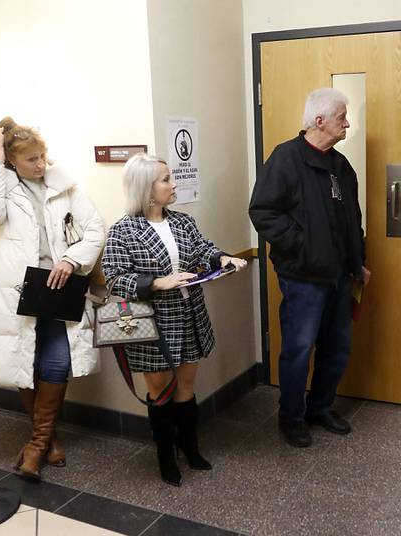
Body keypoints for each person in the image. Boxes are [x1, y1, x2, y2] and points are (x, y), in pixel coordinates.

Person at [0, 117, 105, 481]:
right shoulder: (3, 187)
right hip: (19, 289)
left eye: (42, 156)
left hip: (61, 286)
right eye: (31, 159)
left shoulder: (66, 186)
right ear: (12, 161)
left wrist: (71, 258)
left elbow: (95, 229)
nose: (41, 164)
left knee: (57, 363)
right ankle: (46, 440)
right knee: (23, 363)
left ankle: (36, 444)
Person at [102, 153, 247, 486]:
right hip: (153, 322)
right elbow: (113, 277)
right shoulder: (122, 231)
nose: (174, 184)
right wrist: (157, 282)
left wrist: (222, 257)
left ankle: (190, 447)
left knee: (186, 387)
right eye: (166, 179)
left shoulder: (182, 222)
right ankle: (165, 457)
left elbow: (201, 248)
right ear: (147, 189)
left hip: (189, 314)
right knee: (160, 393)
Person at [249, 88, 370, 448]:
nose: (347, 123)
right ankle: (291, 417)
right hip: (303, 278)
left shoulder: (341, 166)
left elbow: (353, 220)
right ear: (319, 121)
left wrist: (358, 262)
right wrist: (303, 246)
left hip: (340, 276)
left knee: (337, 347)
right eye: (341, 117)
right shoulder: (286, 159)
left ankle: (320, 407)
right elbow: (263, 212)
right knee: (299, 350)